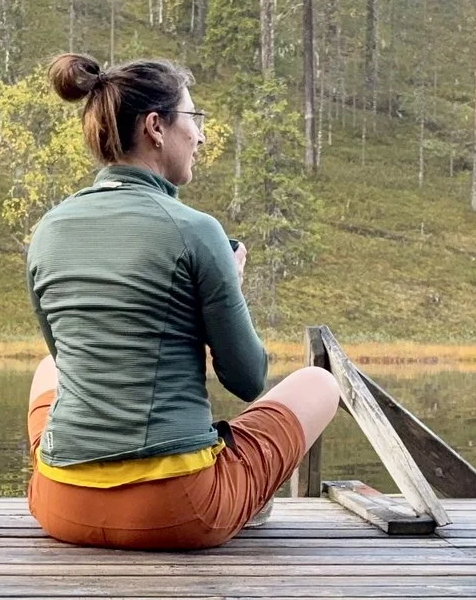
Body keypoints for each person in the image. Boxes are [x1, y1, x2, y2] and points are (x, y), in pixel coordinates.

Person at [23, 52, 338, 549]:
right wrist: (228, 286)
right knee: (319, 382)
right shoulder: (196, 231)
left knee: (47, 369)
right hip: (177, 510)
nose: (202, 136)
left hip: (60, 505)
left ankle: (86, 479)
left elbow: (69, 361)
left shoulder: (47, 230)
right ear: (156, 126)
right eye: (195, 119)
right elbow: (247, 379)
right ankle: (241, 495)